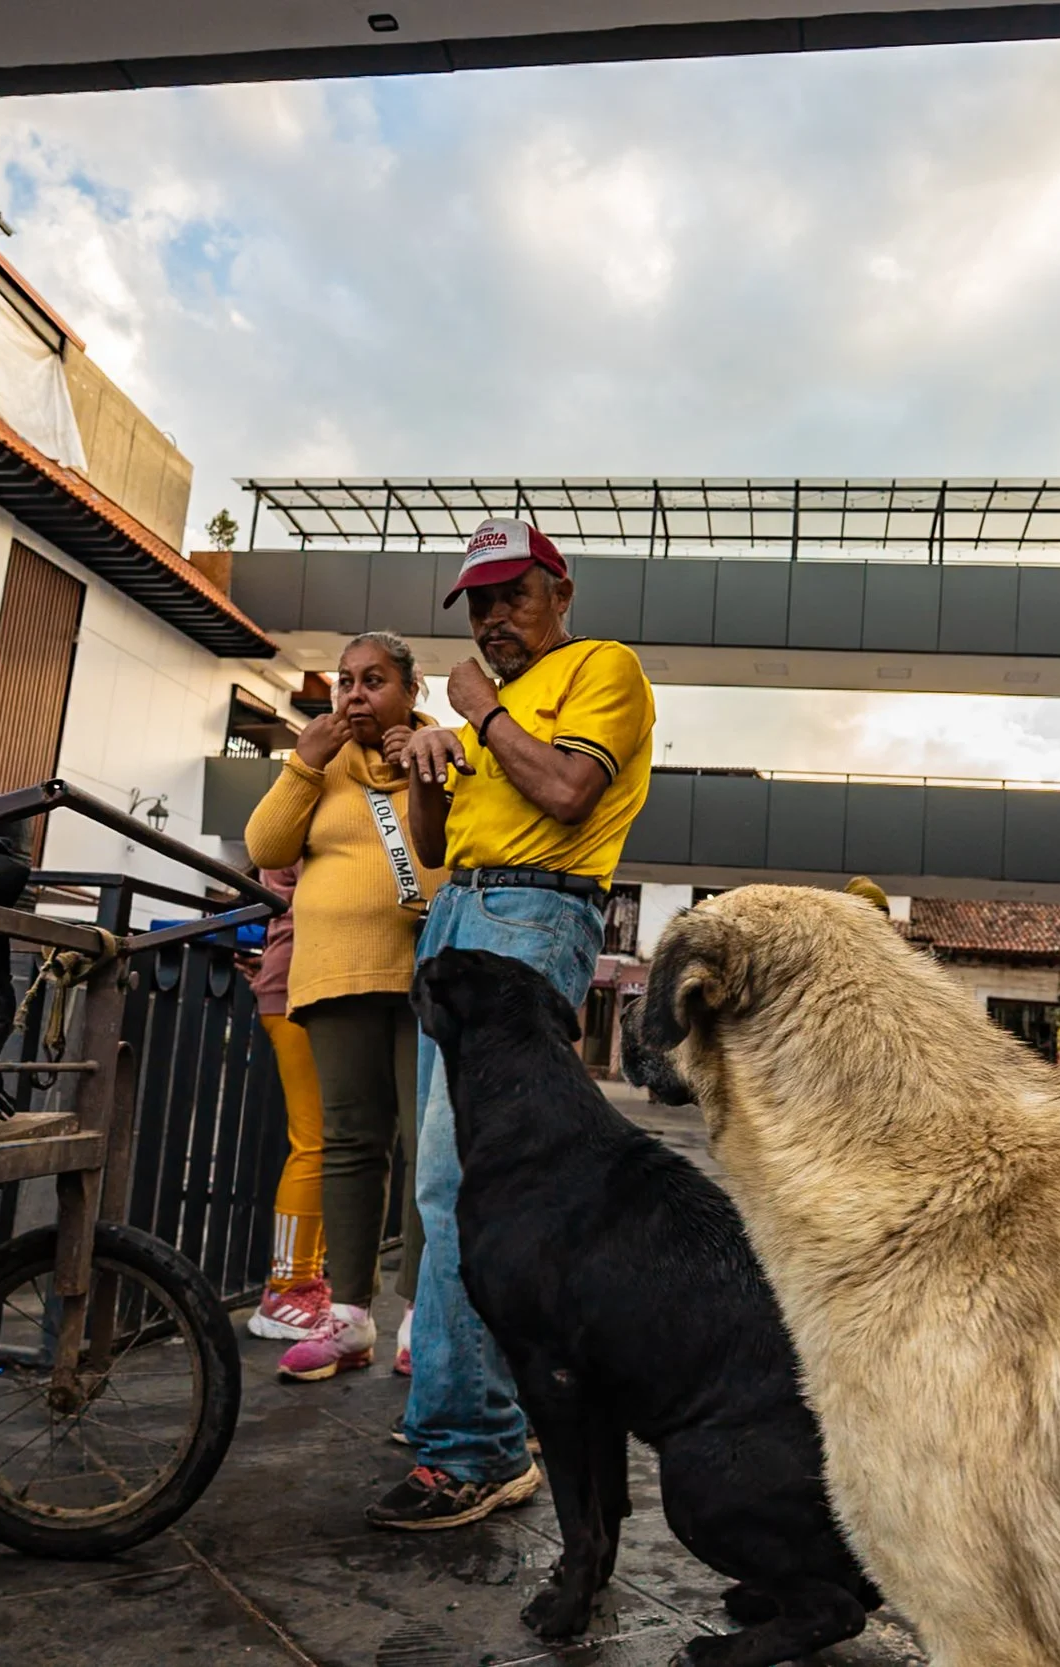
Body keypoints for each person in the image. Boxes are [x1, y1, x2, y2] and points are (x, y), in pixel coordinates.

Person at [370, 517, 655, 1531]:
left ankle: (471, 1443)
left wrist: (480, 713)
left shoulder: (600, 669)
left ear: (560, 589)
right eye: (479, 603)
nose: (494, 618)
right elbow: (443, 842)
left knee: (464, 1188)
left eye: (512, 595)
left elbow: (570, 793)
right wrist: (428, 770)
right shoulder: (501, 708)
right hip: (465, 908)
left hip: (532, 911)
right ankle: (491, 1416)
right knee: (460, 1187)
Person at [244, 632, 442, 1381]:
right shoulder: (318, 768)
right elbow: (266, 842)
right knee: (351, 1144)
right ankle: (351, 1317)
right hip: (333, 976)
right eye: (345, 682)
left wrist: (428, 758)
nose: (356, 694)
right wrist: (303, 759)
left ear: (410, 690)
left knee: (429, 1150)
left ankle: (422, 1319)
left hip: (423, 976)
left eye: (375, 680)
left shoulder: (440, 751)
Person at [245, 864, 332, 1342]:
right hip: (303, 985)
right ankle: (287, 1287)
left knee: (327, 1144)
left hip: (301, 980)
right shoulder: (315, 798)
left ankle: (302, 1281)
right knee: (316, 1143)